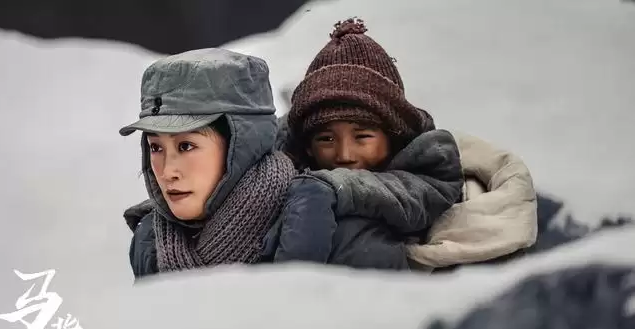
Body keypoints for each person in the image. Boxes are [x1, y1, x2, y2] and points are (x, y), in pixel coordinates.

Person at [274, 18, 538, 271]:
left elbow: (417, 197)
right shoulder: (280, 171)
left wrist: (329, 188)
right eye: (326, 139)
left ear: (394, 135)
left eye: (362, 137)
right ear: (307, 146)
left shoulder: (429, 166)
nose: (345, 155)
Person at [121, 48, 298, 279]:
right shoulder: (149, 239)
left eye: (186, 146)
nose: (167, 172)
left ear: (242, 146)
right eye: (155, 148)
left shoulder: (308, 225)